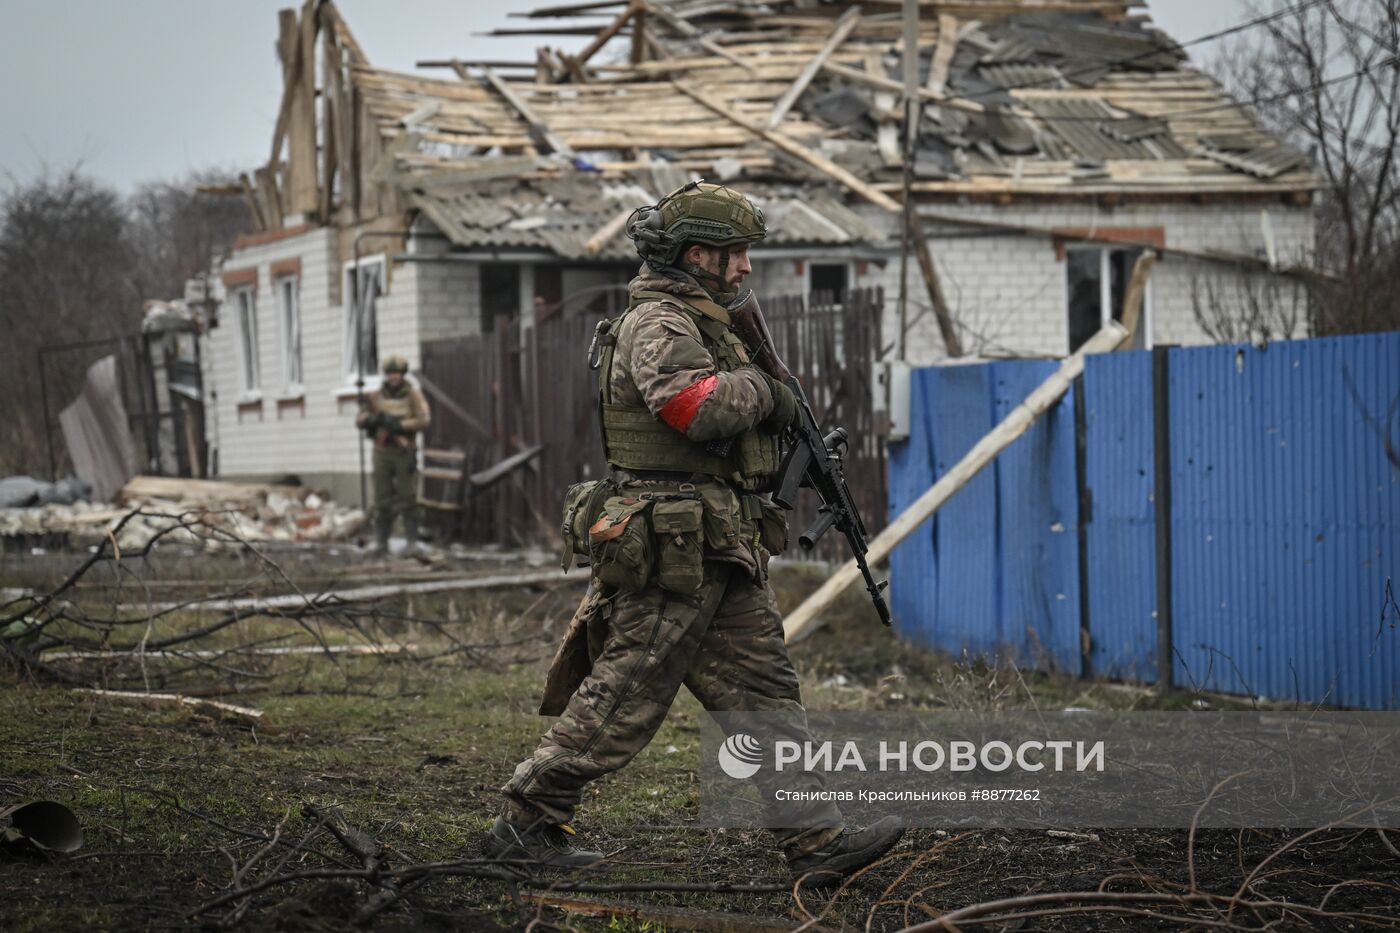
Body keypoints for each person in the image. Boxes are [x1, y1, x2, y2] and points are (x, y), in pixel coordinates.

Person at [483, 182, 902, 884]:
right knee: (624, 697)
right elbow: (693, 408)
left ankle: (815, 841)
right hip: (673, 547)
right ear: (694, 253)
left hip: (717, 544)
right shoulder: (661, 322)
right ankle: (523, 823)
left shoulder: (706, 318)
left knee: (764, 692)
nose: (744, 266)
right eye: (734, 252)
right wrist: (770, 393)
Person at [355, 355, 431, 553]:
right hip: (382, 450)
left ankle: (411, 542)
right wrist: (371, 420)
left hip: (403, 450)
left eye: (396, 374)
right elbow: (361, 418)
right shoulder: (376, 396)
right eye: (390, 374)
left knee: (408, 496)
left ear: (402, 375)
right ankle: (381, 541)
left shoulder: (413, 395)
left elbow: (423, 420)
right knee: (382, 497)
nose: (393, 378)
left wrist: (400, 425)